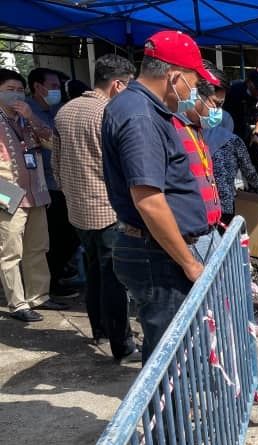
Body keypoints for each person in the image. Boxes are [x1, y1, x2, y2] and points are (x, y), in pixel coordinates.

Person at [102, 30, 220, 362]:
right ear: (175, 78)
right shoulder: (139, 116)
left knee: (183, 344)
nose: (194, 93)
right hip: (157, 256)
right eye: (194, 85)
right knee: (170, 352)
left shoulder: (147, 109)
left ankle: (180, 410)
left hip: (161, 250)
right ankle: (167, 414)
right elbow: (149, 199)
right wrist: (189, 262)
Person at [53, 54, 140, 363]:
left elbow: (57, 163)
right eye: (129, 85)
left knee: (93, 272)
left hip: (77, 210)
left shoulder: (66, 110)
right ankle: (123, 345)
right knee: (115, 277)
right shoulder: (110, 113)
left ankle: (100, 329)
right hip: (107, 210)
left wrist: (72, 194)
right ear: (117, 84)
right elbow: (124, 166)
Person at [0, 68, 59, 322]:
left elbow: (52, 142)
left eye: (19, 90)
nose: (16, 95)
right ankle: (18, 302)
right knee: (10, 250)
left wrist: (32, 117)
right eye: (9, 90)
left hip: (36, 190)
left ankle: (39, 296)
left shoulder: (26, 119)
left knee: (37, 246)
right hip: (7, 192)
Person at [27, 67, 79, 299]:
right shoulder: (27, 114)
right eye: (54, 86)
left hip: (64, 183)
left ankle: (57, 277)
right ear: (38, 87)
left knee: (68, 237)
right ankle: (48, 285)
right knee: (50, 239)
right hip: (41, 186)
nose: (57, 91)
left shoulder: (60, 110)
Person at [202, 74, 258, 224]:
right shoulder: (233, 142)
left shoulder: (200, 139)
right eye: (216, 103)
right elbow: (249, 171)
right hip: (224, 205)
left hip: (204, 205)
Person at [176, 60, 223, 234]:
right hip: (191, 234)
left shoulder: (198, 129)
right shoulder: (172, 129)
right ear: (196, 95)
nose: (218, 111)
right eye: (215, 104)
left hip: (208, 227)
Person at [223, 69, 258, 171]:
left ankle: (253, 184)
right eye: (257, 88)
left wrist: (256, 134)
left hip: (244, 128)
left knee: (256, 149)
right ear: (249, 82)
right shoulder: (233, 89)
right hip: (226, 129)